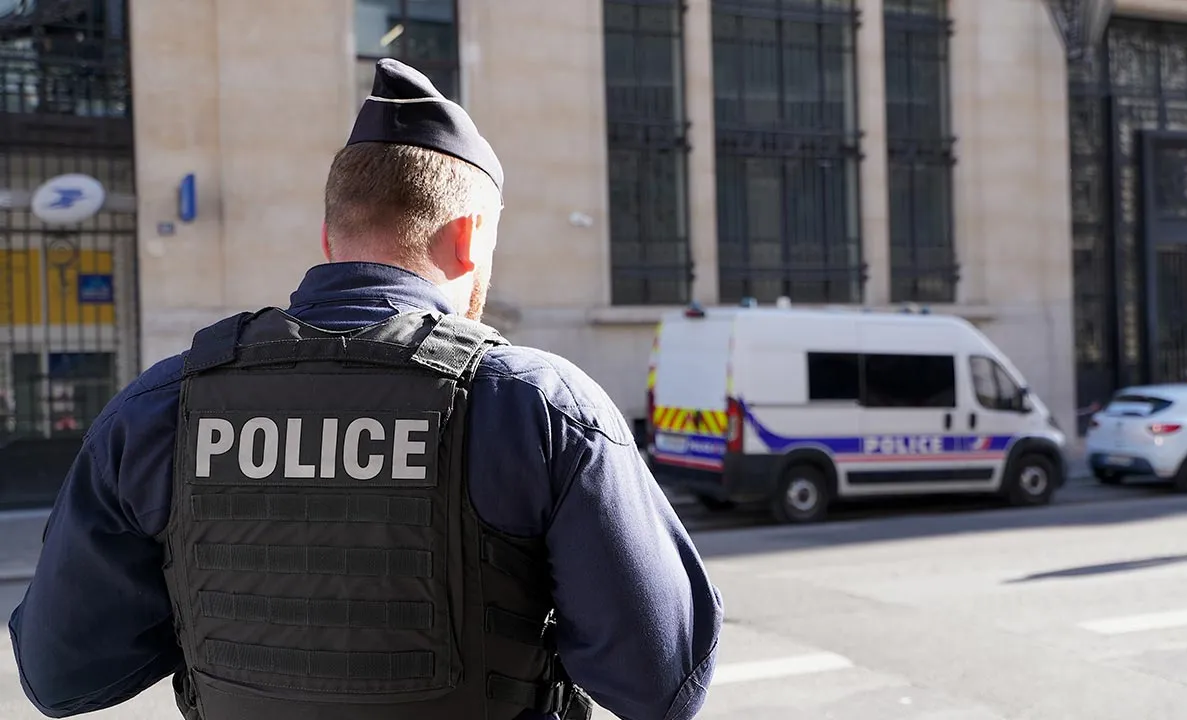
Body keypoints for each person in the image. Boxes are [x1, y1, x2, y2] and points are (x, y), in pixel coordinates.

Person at [8, 58, 722, 720]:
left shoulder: (158, 408)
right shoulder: (538, 407)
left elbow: (60, 674)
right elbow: (663, 682)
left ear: (328, 236)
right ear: (470, 238)